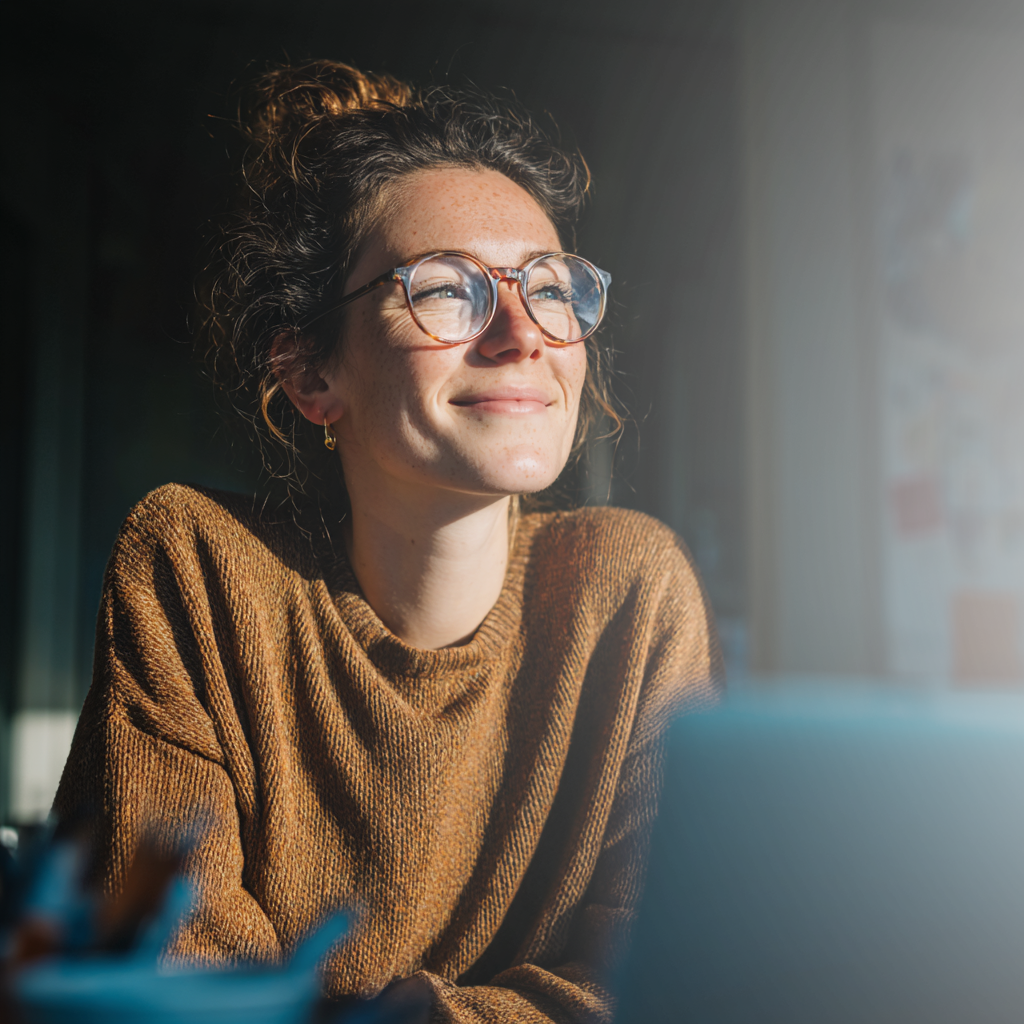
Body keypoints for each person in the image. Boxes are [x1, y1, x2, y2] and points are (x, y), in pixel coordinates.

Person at [55, 61, 722, 1022]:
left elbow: (665, 980)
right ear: (312, 374)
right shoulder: (196, 566)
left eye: (550, 287)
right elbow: (177, 978)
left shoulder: (628, 592)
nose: (522, 334)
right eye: (448, 291)